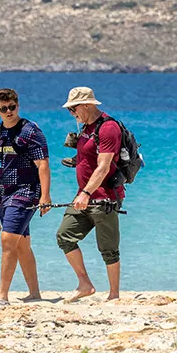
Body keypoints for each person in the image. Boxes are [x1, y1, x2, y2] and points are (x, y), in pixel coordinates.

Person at [0, 87, 53, 305]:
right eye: (4, 109)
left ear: (18, 105)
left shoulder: (30, 131)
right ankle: (35, 294)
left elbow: (43, 164)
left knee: (7, 239)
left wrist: (45, 196)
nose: (9, 111)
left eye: (12, 107)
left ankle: (2, 295)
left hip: (27, 193)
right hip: (4, 195)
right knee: (21, 245)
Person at [56, 86, 125, 301]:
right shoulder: (86, 128)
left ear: (87, 105)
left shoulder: (108, 128)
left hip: (104, 198)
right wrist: (77, 162)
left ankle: (114, 295)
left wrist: (86, 192)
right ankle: (85, 284)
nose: (72, 114)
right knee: (64, 236)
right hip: (82, 196)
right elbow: (91, 158)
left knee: (108, 249)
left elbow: (104, 167)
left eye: (73, 109)